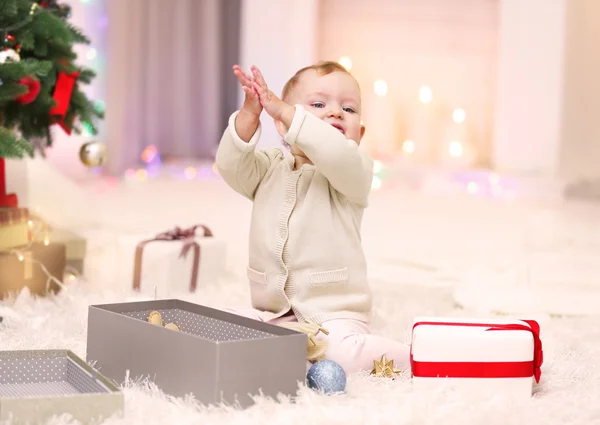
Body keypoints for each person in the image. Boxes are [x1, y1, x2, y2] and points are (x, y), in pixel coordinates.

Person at [215, 61, 409, 374]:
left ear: (358, 134)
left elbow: (333, 151)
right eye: (318, 104)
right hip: (272, 314)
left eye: (348, 108)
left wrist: (281, 108)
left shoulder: (353, 172)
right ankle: (294, 355)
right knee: (222, 325)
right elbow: (230, 166)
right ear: (282, 127)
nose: (335, 113)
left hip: (334, 316)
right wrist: (251, 114)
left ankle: (414, 359)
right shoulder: (268, 169)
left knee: (344, 354)